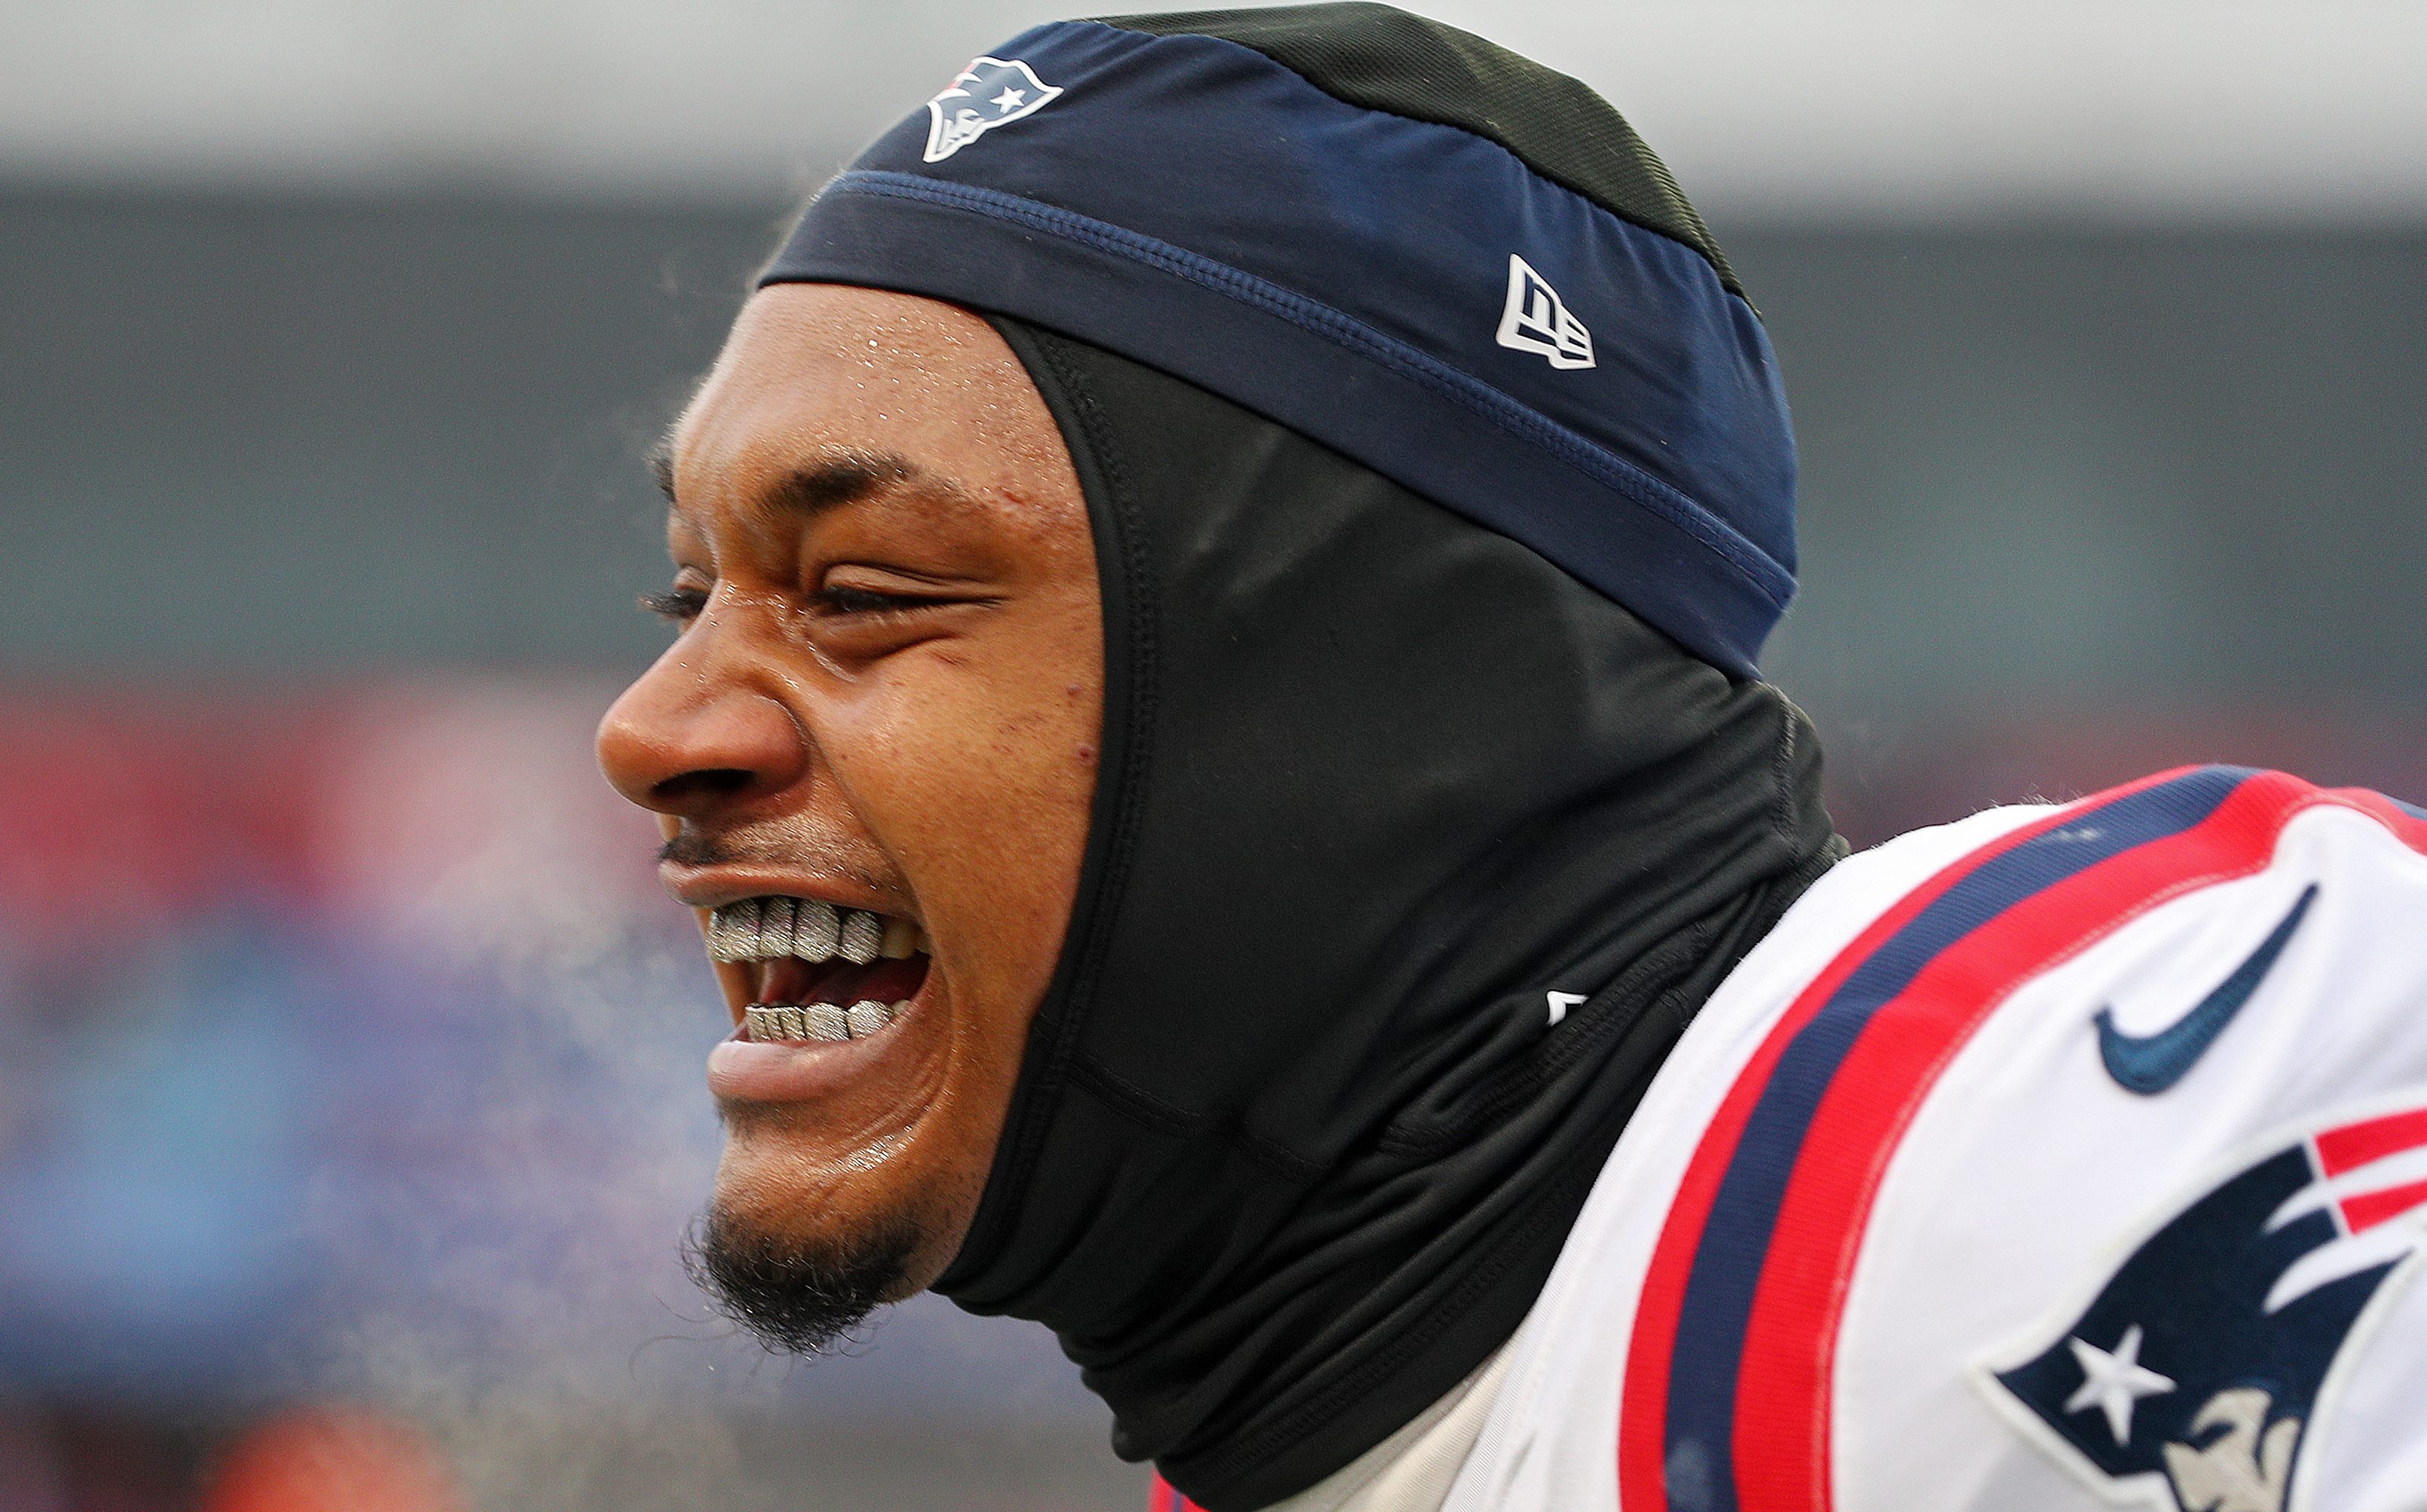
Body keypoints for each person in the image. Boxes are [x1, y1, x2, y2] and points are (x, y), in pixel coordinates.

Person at [595, 6, 2427, 1510]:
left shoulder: (2055, 1128)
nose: (654, 728)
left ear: (1379, 688)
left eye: (863, 592)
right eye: (689, 593)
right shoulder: (1382, 1421)